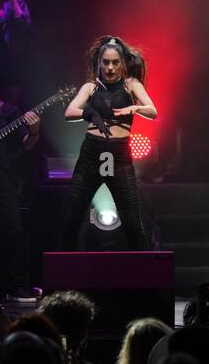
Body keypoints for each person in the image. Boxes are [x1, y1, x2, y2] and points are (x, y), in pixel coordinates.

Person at [62, 36, 157, 250]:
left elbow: (153, 111)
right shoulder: (90, 87)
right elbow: (69, 112)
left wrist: (135, 108)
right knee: (72, 217)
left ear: (123, 63)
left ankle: (144, 279)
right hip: (91, 153)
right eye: (106, 62)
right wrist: (89, 113)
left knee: (132, 221)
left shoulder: (131, 84)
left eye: (115, 62)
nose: (110, 67)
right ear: (99, 63)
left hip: (119, 156)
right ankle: (64, 279)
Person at [0, 60, 41, 299]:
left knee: (13, 229)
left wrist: (34, 132)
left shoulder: (6, 111)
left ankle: (17, 286)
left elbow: (27, 146)